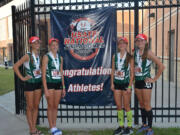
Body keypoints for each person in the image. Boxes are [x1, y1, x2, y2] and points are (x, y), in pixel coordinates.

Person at [134, 34, 165, 135]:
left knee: (147, 105)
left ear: (146, 42)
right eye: (138, 41)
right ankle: (144, 125)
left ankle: (150, 129)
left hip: (145, 82)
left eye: (142, 40)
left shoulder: (149, 53)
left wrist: (154, 79)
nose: (140, 42)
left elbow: (161, 66)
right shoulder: (135, 52)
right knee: (141, 104)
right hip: (137, 81)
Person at [13, 36, 42, 135]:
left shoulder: (38, 55)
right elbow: (15, 66)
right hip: (29, 84)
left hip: (38, 83)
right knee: (30, 107)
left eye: (38, 42)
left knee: (36, 106)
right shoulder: (27, 56)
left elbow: (38, 68)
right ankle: (32, 129)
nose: (37, 44)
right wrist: (22, 78)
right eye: (35, 42)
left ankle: (33, 128)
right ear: (30, 44)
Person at [42, 38, 66, 135]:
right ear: (49, 46)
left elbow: (61, 73)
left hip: (58, 84)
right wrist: (45, 89)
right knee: (50, 106)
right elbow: (43, 74)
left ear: (58, 46)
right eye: (53, 45)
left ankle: (54, 126)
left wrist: (63, 87)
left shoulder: (60, 58)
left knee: (55, 106)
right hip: (50, 83)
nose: (54, 46)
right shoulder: (46, 57)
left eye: (56, 45)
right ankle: (51, 127)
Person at [111, 37, 134, 135]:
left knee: (127, 106)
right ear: (118, 46)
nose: (122, 45)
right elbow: (112, 70)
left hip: (125, 84)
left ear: (126, 45)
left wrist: (129, 86)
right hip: (117, 84)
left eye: (124, 43)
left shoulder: (130, 57)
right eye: (120, 44)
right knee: (119, 106)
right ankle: (121, 126)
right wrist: (112, 83)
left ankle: (129, 127)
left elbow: (132, 73)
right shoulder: (114, 56)